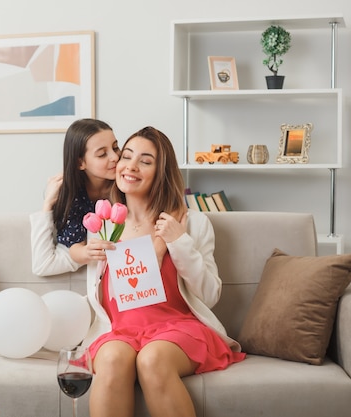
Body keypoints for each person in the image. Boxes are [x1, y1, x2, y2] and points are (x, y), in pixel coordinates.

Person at [85, 126, 245, 417]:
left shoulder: (191, 223)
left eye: (145, 161)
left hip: (178, 329)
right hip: (120, 331)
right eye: (127, 156)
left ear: (161, 172)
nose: (131, 166)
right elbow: (53, 260)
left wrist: (177, 241)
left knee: (153, 358)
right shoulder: (102, 225)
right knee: (110, 360)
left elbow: (210, 294)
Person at [30, 118, 120, 276]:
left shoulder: (124, 184)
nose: (115, 157)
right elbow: (74, 248)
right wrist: (87, 252)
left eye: (115, 147)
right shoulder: (73, 196)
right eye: (102, 154)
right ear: (80, 163)